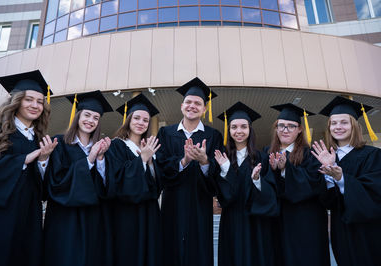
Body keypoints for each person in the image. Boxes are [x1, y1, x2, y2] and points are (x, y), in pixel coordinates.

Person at [0, 70, 56, 266]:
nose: (35, 105)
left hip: (28, 216)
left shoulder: (41, 139)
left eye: (40, 101)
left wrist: (43, 160)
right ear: (16, 101)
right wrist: (22, 160)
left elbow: (45, 186)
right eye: (29, 99)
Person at [156, 77, 223, 266]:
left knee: (198, 249)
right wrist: (184, 161)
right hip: (172, 202)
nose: (192, 106)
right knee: (171, 247)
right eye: (189, 102)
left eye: (198, 103)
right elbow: (161, 166)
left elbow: (217, 173)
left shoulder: (213, 136)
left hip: (199, 202)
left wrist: (204, 162)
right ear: (181, 105)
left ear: (204, 109)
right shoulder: (166, 133)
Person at [43, 90, 113, 266]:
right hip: (65, 218)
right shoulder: (59, 143)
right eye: (87, 115)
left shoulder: (101, 148)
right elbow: (56, 182)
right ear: (78, 116)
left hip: (92, 217)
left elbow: (106, 186)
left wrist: (100, 158)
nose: (91, 121)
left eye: (96, 118)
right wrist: (89, 159)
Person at [312, 96, 381, 266]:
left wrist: (340, 178)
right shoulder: (327, 156)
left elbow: (375, 192)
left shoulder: (372, 155)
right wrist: (328, 176)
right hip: (340, 228)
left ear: (354, 126)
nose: (338, 127)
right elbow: (328, 202)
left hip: (366, 228)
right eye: (333, 123)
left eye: (344, 122)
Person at [214, 102, 279, 266]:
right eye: (234, 127)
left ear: (250, 130)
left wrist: (257, 181)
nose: (239, 131)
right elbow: (224, 197)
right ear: (229, 131)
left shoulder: (261, 157)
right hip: (231, 220)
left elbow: (271, 194)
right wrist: (226, 169)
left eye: (243, 127)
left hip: (255, 222)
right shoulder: (223, 157)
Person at [267, 103, 330, 266]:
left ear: (300, 129)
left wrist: (284, 170)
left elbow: (314, 183)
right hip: (277, 222)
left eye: (291, 126)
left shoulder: (311, 155)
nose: (285, 130)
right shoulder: (267, 153)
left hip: (306, 223)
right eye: (281, 125)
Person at [104, 93, 163, 266]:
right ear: (128, 119)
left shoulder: (149, 148)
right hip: (126, 214)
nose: (141, 123)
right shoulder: (116, 145)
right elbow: (117, 180)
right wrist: (142, 160)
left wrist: (150, 162)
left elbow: (156, 186)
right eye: (136, 118)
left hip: (149, 212)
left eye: (145, 120)